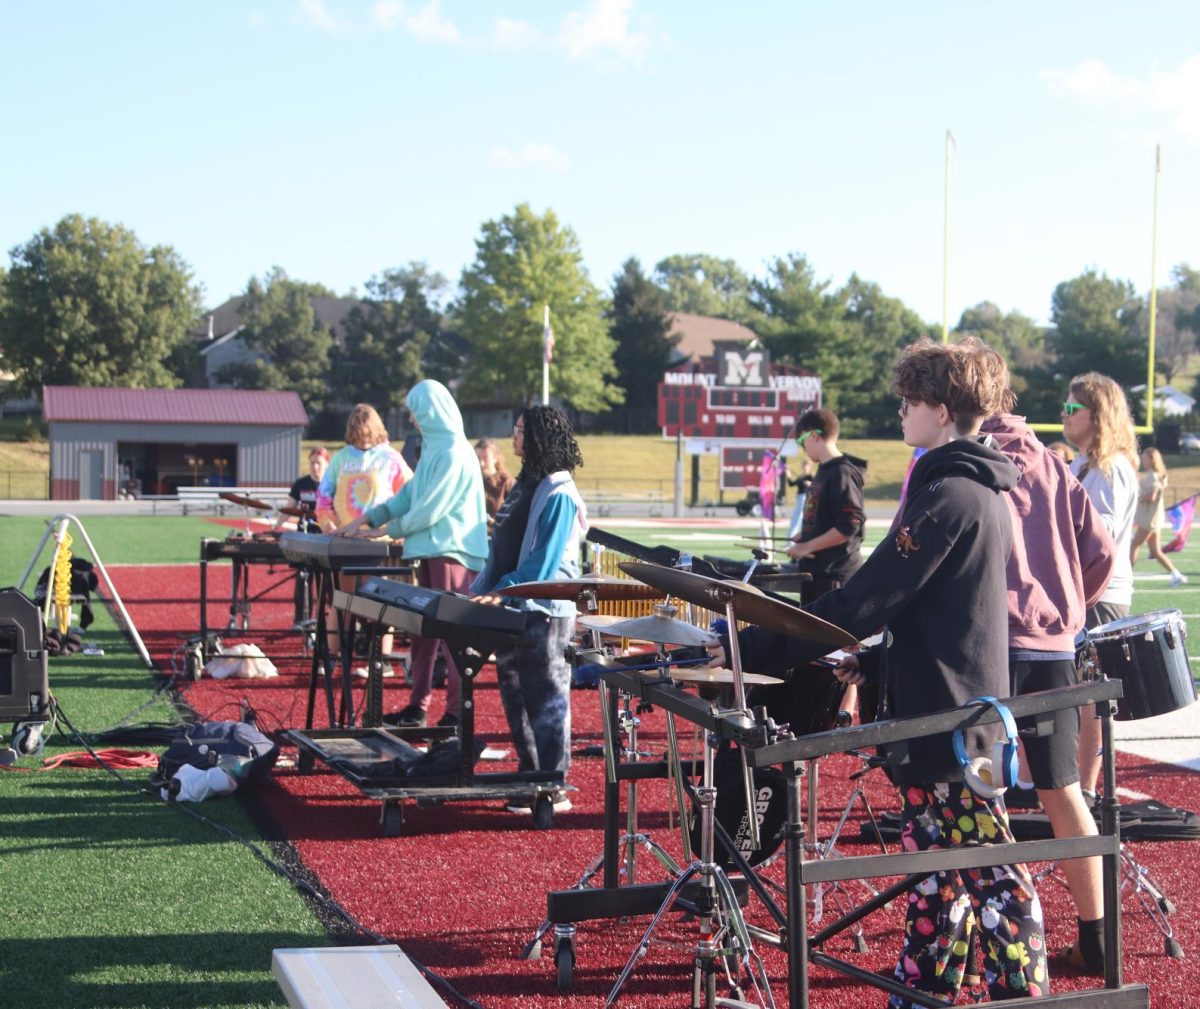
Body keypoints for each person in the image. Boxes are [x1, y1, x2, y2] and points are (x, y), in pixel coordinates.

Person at [711, 337, 1047, 1005]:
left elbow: (865, 599)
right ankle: (920, 994)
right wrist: (871, 660)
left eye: (909, 400)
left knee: (993, 877)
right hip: (944, 713)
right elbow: (944, 617)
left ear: (943, 409)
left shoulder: (951, 495)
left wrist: (748, 645)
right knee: (937, 880)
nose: (900, 412)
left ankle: (1024, 996)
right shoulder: (967, 491)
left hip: (951, 725)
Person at [980, 410, 1115, 975]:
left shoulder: (969, 460)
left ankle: (996, 937)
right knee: (1065, 792)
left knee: (980, 793)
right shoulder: (1057, 465)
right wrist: (1066, 610)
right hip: (1053, 648)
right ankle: (1097, 939)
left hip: (988, 646)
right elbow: (1103, 550)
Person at [335, 381, 488, 729]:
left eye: (415, 411)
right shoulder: (436, 448)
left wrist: (391, 529)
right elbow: (410, 496)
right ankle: (418, 708)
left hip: (454, 552)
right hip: (433, 549)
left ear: (430, 411)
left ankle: (454, 714)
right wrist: (367, 518)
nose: (411, 418)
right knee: (422, 634)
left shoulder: (453, 451)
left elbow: (431, 509)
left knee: (452, 639)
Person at [471, 406, 588, 814]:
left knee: (547, 697)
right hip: (517, 604)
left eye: (521, 431)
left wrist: (502, 590)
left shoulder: (559, 492)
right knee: (516, 695)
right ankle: (530, 774)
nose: (514, 437)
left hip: (546, 609)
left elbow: (544, 562)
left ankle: (552, 785)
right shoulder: (531, 484)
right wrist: (481, 590)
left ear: (538, 438)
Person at [1061, 373, 1139, 805]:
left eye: (1072, 409)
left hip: (1102, 594)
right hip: (1081, 590)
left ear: (1097, 414)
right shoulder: (1082, 465)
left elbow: (1101, 534)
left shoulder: (1110, 468)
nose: (1064, 416)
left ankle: (1087, 788)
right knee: (1073, 688)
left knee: (1092, 691)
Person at [315, 405, 412, 670]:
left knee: (383, 603)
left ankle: (383, 662)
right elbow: (323, 498)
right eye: (358, 431)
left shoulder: (392, 458)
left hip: (380, 544)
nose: (363, 437)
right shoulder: (340, 459)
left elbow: (409, 496)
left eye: (367, 431)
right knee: (341, 600)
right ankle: (334, 657)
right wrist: (328, 524)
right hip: (347, 543)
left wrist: (398, 529)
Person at [785, 407, 867, 605]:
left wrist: (807, 546)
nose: (802, 447)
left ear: (814, 436)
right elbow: (828, 518)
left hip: (834, 577)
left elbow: (849, 525)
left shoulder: (842, 473)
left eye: (801, 441)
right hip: (817, 573)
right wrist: (806, 536)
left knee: (823, 636)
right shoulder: (825, 470)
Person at [1131, 447, 1186, 586]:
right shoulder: (1153, 474)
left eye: (1145, 457)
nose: (1143, 460)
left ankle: (1127, 577)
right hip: (1152, 518)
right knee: (1155, 551)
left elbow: (1151, 496)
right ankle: (1176, 574)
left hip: (1149, 519)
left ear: (1152, 459)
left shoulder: (1154, 476)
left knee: (1133, 546)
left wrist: (1137, 498)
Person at [277, 447, 329, 531]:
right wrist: (277, 526)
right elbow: (289, 508)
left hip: (326, 532)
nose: (315, 467)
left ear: (327, 464)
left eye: (318, 463)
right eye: (312, 463)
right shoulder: (300, 483)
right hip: (304, 530)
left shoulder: (334, 485)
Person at [475, 437, 516, 534]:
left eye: (485, 458)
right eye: (478, 458)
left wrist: (492, 525)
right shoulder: (472, 480)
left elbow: (514, 518)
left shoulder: (507, 482)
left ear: (495, 458)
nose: (481, 463)